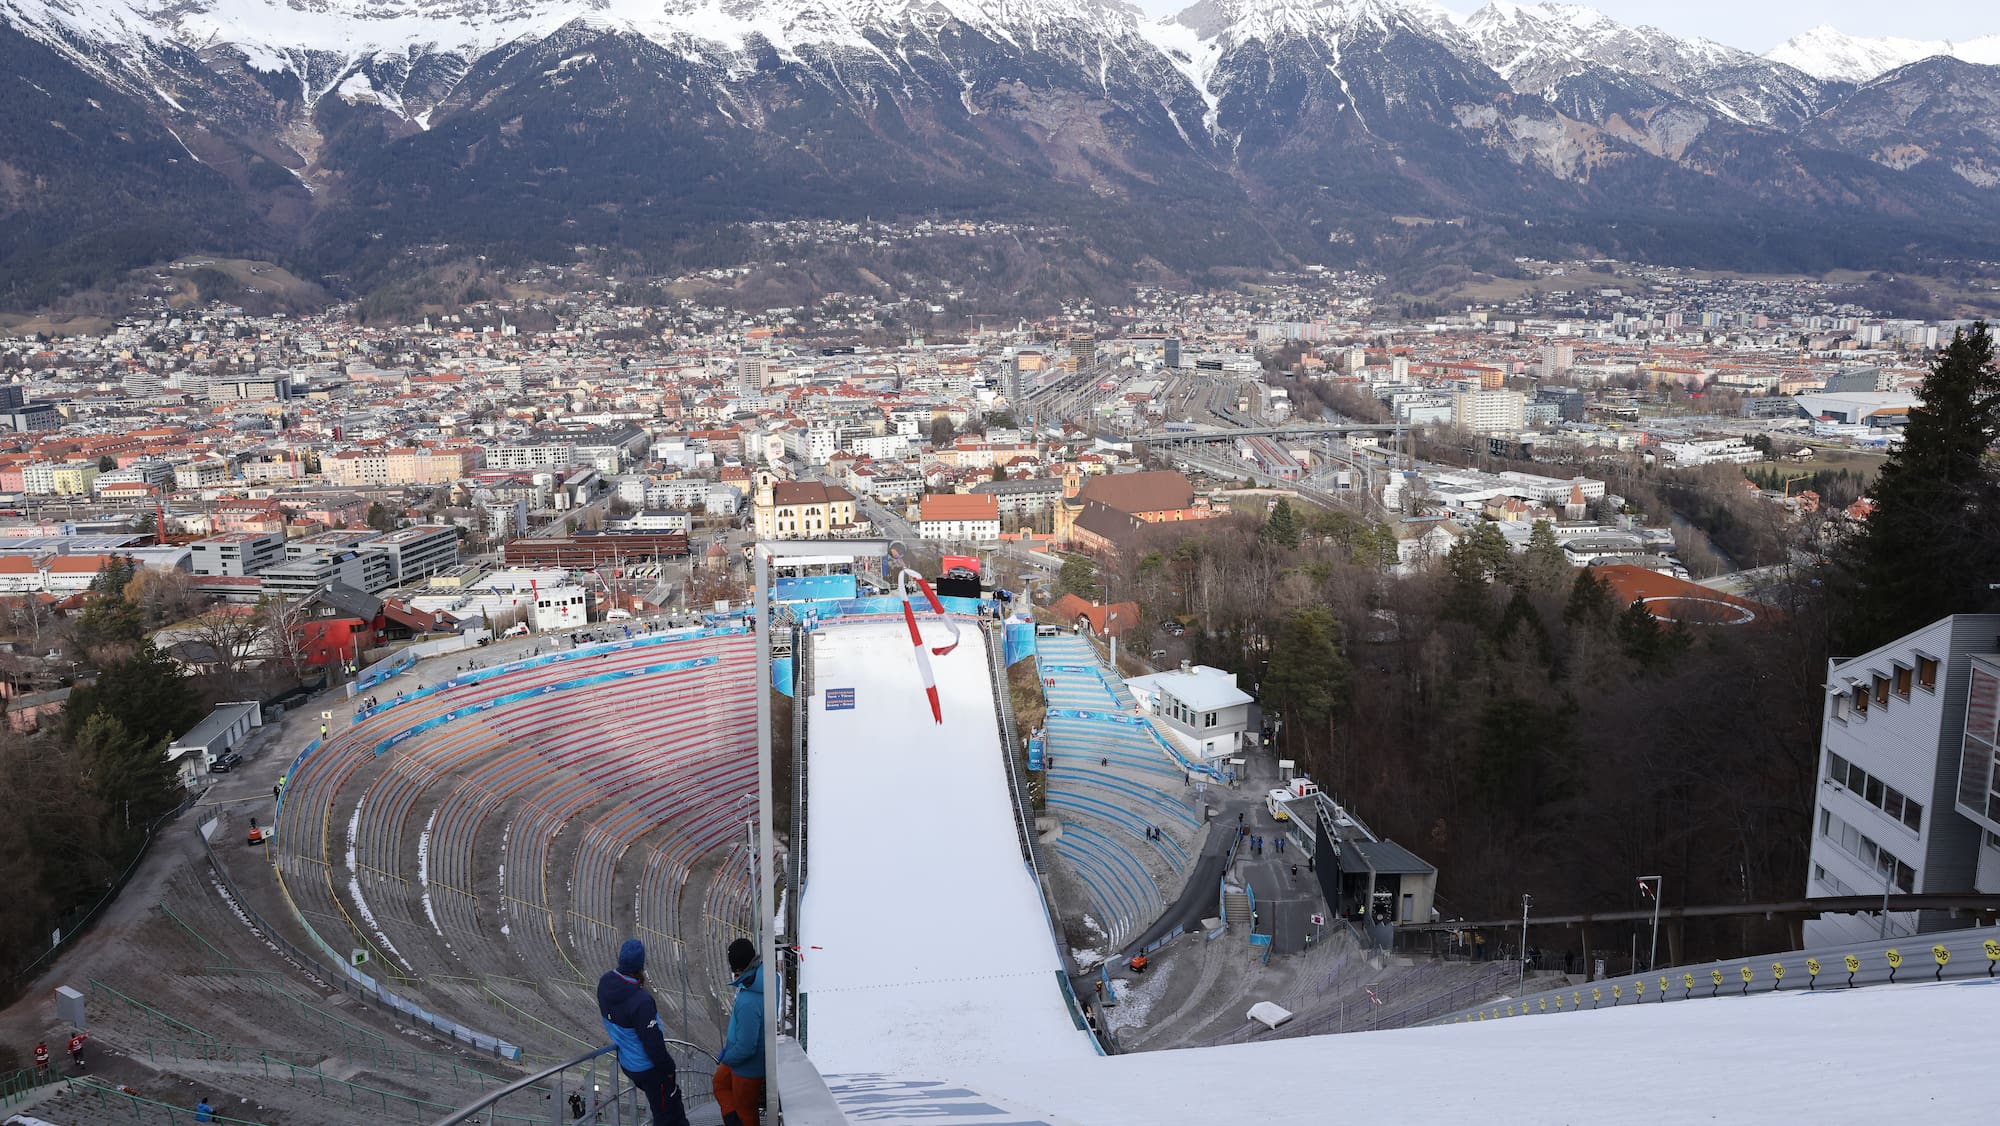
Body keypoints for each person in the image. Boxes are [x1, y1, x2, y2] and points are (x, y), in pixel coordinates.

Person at [597, 940, 688, 1126]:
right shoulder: (641, 1001)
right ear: (640, 965)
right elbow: (653, 1044)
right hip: (647, 1068)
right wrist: (669, 1068)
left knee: (668, 1106)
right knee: (668, 1113)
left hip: (627, 1062)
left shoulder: (605, 983)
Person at [714, 938, 766, 1126]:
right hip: (741, 1057)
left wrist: (727, 1057)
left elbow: (746, 1047)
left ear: (738, 969)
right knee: (719, 1083)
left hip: (746, 1066)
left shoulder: (748, 1001)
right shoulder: (763, 978)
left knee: (747, 1113)